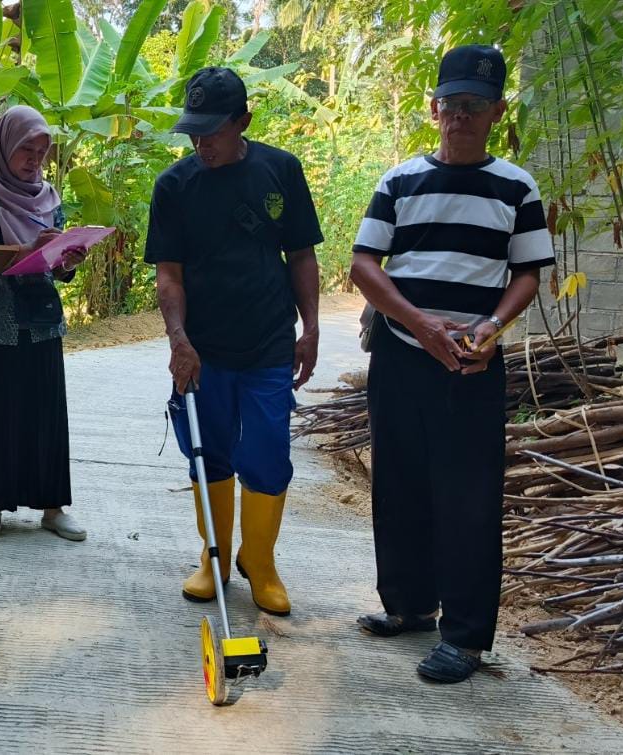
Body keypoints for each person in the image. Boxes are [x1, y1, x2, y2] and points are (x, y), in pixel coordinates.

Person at [349, 45, 555, 682]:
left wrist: (492, 327)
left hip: (471, 361)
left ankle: (465, 637)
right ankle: (408, 606)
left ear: (495, 111)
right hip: (403, 354)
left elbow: (527, 273)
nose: (460, 116)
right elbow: (363, 266)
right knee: (400, 482)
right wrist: (418, 324)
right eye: (451, 104)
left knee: (468, 497)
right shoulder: (400, 182)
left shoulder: (516, 187)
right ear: (434, 108)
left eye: (474, 105)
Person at [146, 67, 323, 616]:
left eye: (213, 131)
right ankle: (215, 558)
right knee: (207, 453)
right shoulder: (175, 186)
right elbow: (169, 274)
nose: (201, 142)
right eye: (193, 131)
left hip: (269, 342)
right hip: (202, 350)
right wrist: (178, 340)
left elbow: (301, 255)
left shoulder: (281, 171)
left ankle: (261, 562)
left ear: (243, 121)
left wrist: (311, 327)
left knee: (268, 454)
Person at [0, 105, 87, 541]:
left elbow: (55, 267)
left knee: (43, 414)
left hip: (39, 320)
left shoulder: (48, 196)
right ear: (4, 144)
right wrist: (31, 247)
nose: (34, 159)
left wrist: (68, 258)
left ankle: (52, 506)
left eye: (42, 151)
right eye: (26, 148)